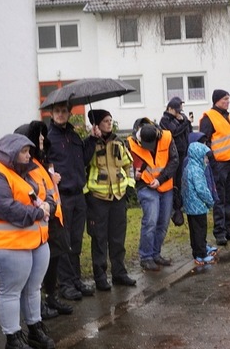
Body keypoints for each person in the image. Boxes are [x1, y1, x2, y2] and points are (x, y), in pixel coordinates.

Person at [0, 134, 55, 349]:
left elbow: (45, 193)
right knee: (11, 291)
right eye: (24, 151)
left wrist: (48, 205)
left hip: (33, 240)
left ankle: (34, 328)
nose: (28, 155)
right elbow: (4, 207)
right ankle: (13, 338)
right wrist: (38, 213)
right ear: (10, 153)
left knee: (33, 288)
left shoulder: (24, 172)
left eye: (29, 151)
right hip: (6, 242)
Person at [13, 121, 74, 320]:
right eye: (38, 135)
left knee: (53, 260)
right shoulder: (26, 165)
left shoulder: (40, 161)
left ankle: (50, 297)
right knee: (40, 267)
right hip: (43, 219)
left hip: (54, 217)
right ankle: (39, 305)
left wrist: (52, 178)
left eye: (42, 134)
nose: (41, 138)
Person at [46, 102, 96, 301]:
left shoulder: (74, 136)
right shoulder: (49, 138)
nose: (60, 114)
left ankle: (75, 279)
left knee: (76, 240)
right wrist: (50, 177)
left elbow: (83, 158)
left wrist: (91, 139)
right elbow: (42, 164)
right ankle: (65, 284)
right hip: (61, 197)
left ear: (69, 113)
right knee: (64, 241)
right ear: (51, 114)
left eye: (63, 111)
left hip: (78, 195)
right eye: (56, 111)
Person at [83, 109, 138, 290]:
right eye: (105, 121)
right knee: (99, 239)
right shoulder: (89, 144)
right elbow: (82, 165)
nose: (109, 123)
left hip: (118, 197)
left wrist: (129, 185)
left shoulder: (118, 142)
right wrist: (92, 140)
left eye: (110, 120)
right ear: (97, 124)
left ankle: (119, 273)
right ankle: (100, 278)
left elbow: (129, 164)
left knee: (117, 238)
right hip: (97, 199)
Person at [128, 118, 179, 272]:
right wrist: (132, 173)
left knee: (163, 223)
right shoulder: (130, 143)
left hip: (165, 185)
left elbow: (174, 161)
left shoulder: (167, 137)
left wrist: (160, 179)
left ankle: (155, 253)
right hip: (145, 186)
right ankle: (146, 257)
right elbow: (125, 165)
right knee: (150, 221)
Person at [200, 89, 230, 246]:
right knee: (219, 199)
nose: (228, 102)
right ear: (217, 100)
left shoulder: (227, 116)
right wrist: (212, 160)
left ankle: (227, 229)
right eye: (225, 99)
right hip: (219, 164)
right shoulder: (209, 117)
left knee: (228, 199)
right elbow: (204, 141)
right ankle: (219, 232)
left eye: (228, 99)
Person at [182, 142, 219, 265]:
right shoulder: (197, 171)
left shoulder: (188, 167)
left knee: (194, 231)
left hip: (190, 207)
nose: (207, 160)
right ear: (198, 156)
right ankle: (201, 254)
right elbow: (201, 189)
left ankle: (198, 251)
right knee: (200, 230)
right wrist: (210, 201)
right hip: (198, 207)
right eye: (205, 157)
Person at [160, 97, 192, 224]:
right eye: (177, 110)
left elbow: (187, 132)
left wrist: (186, 122)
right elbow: (174, 133)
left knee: (181, 179)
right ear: (170, 109)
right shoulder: (165, 120)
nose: (179, 113)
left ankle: (180, 203)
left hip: (183, 151)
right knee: (175, 180)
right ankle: (175, 207)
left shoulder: (180, 119)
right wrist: (184, 123)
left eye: (180, 110)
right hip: (173, 153)